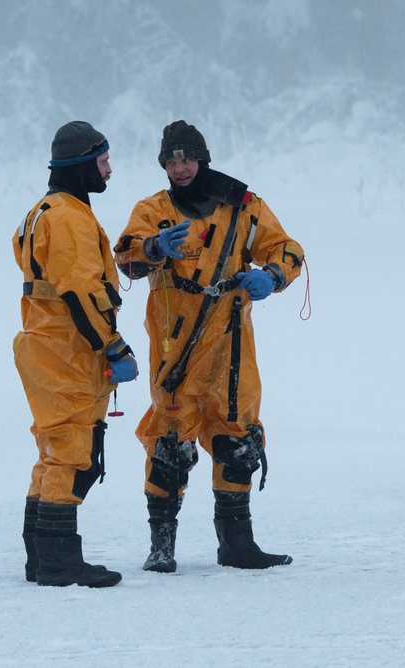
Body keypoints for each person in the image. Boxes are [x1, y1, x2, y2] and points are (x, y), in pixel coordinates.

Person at [113, 120, 304, 571]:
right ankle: (162, 547)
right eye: (171, 161)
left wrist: (272, 276)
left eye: (187, 158)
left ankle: (236, 544)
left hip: (230, 345)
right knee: (170, 443)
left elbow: (287, 247)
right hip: (175, 345)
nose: (179, 168)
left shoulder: (243, 206)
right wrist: (155, 247)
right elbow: (125, 256)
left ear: (203, 158)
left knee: (237, 437)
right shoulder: (153, 209)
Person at [13, 121, 138, 587]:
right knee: (70, 451)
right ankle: (61, 564)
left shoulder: (40, 212)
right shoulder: (67, 218)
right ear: (83, 164)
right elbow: (82, 292)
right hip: (67, 349)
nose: (109, 170)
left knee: (51, 451)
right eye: (103, 162)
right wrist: (113, 345)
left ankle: (41, 558)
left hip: (43, 344)